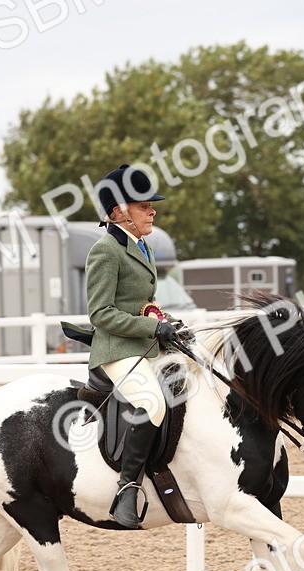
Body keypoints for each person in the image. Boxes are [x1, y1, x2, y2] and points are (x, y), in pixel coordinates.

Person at [86, 164, 187, 528]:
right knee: (150, 402)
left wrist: (168, 325)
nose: (152, 211)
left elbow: (141, 302)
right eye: (143, 205)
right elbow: (100, 313)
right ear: (118, 212)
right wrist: (150, 326)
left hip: (144, 346)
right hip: (115, 350)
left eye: (150, 205)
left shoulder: (139, 246)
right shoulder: (105, 250)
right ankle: (127, 487)